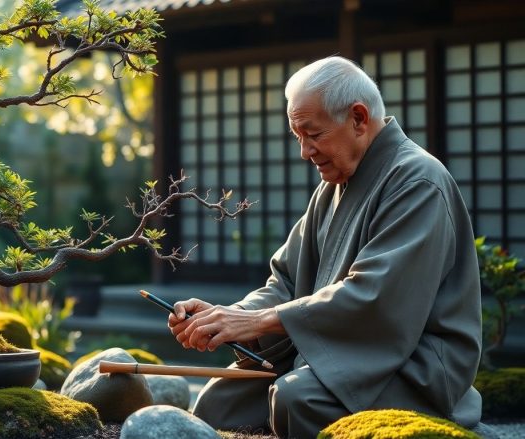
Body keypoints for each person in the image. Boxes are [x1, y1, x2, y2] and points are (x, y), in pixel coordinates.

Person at [168, 56, 482, 438]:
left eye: (313, 135)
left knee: (296, 399)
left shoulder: (418, 181)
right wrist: (226, 318)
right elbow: (285, 282)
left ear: (358, 119)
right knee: (221, 400)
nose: (305, 151)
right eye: (298, 136)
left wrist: (257, 321)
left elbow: (376, 298)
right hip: (337, 352)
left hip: (415, 365)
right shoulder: (331, 188)